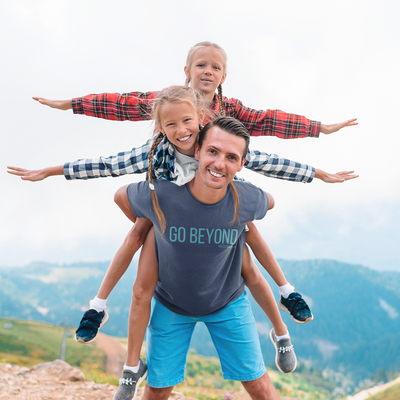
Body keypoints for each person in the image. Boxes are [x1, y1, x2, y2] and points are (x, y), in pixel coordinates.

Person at [8, 86, 358, 386]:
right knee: (138, 252)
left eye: (187, 121)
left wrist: (318, 172)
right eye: (171, 124)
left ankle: (285, 303)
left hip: (219, 217)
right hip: (169, 217)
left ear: (201, 117)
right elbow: (107, 161)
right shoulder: (156, 151)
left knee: (248, 247)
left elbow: (267, 158)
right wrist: (53, 169)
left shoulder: (214, 142)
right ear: (159, 127)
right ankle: (99, 309)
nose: (181, 129)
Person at [121, 116, 289, 400]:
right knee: (157, 390)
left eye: (231, 157)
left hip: (228, 303)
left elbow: (269, 202)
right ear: (197, 151)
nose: (220, 163)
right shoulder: (164, 195)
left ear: (241, 165)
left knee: (259, 387)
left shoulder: (246, 199)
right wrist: (155, 226)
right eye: (213, 151)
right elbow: (121, 196)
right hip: (171, 305)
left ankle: (282, 334)